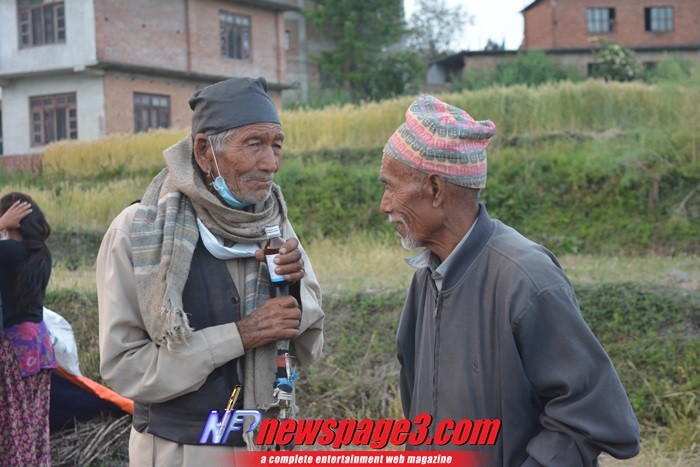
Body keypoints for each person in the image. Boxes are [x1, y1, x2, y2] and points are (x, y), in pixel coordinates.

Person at [379, 95, 640, 466]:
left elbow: (590, 418)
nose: (385, 205)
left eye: (390, 187)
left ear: (435, 189)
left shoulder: (526, 278)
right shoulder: (428, 276)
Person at [96, 77, 324, 465]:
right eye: (254, 144)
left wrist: (294, 289)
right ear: (204, 151)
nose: (271, 163)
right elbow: (124, 368)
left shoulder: (275, 227)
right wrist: (240, 335)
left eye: (276, 145)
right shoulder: (139, 231)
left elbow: (308, 348)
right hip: (178, 452)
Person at [0, 192, 56, 465]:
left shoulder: (6, 252)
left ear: (13, 220)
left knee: (13, 424)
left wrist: (0, 223)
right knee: (34, 425)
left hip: (15, 348)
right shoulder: (41, 254)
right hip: (41, 344)